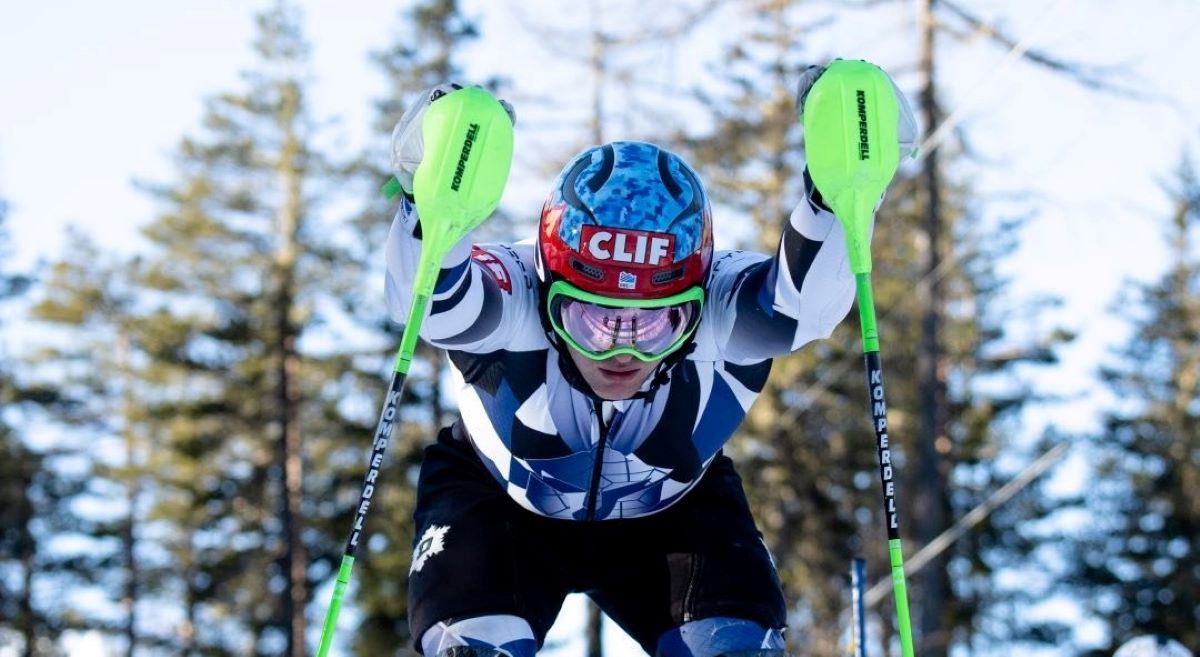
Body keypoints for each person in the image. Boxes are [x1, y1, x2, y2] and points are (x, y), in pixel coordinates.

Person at [385, 69, 916, 657]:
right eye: (592, 320)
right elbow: (434, 301)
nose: (623, 351)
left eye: (656, 323)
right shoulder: (514, 295)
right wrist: (432, 201)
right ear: (547, 284)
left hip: (676, 514)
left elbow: (804, 306)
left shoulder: (719, 301)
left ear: (695, 298)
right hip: (497, 505)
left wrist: (839, 192)